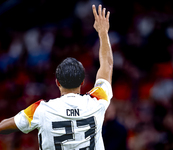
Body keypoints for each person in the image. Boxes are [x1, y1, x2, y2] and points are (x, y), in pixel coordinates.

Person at [0, 4, 113, 150]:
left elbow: (6, 126)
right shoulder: (97, 101)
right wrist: (103, 32)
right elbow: (107, 65)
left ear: (57, 82)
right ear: (83, 82)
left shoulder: (41, 110)